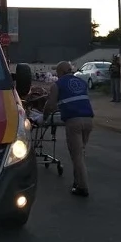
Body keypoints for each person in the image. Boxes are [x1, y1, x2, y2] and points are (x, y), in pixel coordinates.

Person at [43, 60, 94, 197]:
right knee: (80, 153)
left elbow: (50, 105)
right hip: (88, 120)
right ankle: (77, 182)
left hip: (74, 121)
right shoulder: (82, 83)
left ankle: (83, 187)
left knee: (76, 156)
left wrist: (45, 117)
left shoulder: (57, 85)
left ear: (60, 72)